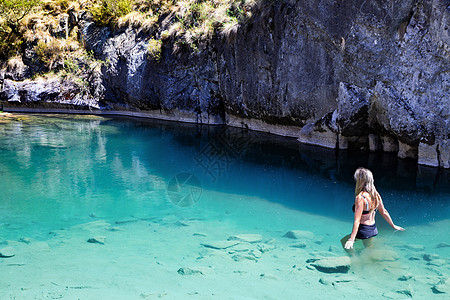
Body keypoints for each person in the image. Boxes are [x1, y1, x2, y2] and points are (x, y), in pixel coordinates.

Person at [342, 167, 405, 250]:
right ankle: (371, 260)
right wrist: (393, 225)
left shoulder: (360, 198)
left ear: (360, 181)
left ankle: (355, 261)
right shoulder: (375, 194)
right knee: (368, 247)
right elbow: (384, 211)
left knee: (344, 242)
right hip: (373, 229)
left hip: (363, 230)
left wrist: (351, 239)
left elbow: (357, 221)